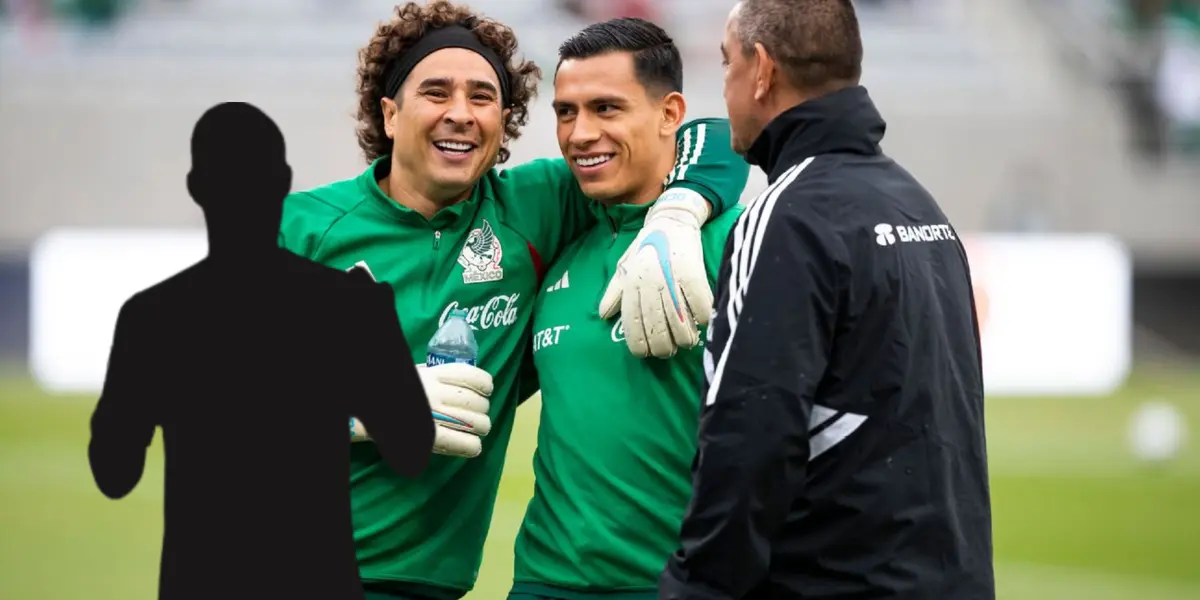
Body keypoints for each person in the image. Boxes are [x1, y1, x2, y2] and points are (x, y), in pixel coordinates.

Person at [277, 2, 747, 599]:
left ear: (505, 120)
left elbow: (704, 139)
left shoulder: (537, 207)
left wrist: (681, 211)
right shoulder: (301, 227)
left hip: (429, 587)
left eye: (481, 97)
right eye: (436, 92)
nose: (460, 114)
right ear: (390, 114)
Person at [660, 1, 995, 599]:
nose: (726, 84)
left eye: (726, 62)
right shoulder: (920, 207)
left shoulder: (787, 216)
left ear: (761, 70)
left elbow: (750, 433)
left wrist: (695, 589)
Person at [88, 102, 434, 600]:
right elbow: (411, 449)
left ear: (196, 187)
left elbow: (114, 473)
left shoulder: (151, 318)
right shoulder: (353, 307)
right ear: (283, 181)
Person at [509, 18, 748, 600]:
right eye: (566, 112)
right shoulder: (562, 242)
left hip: (679, 585)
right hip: (543, 583)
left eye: (606, 108)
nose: (580, 133)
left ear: (670, 115)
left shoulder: (737, 241)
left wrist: (679, 213)